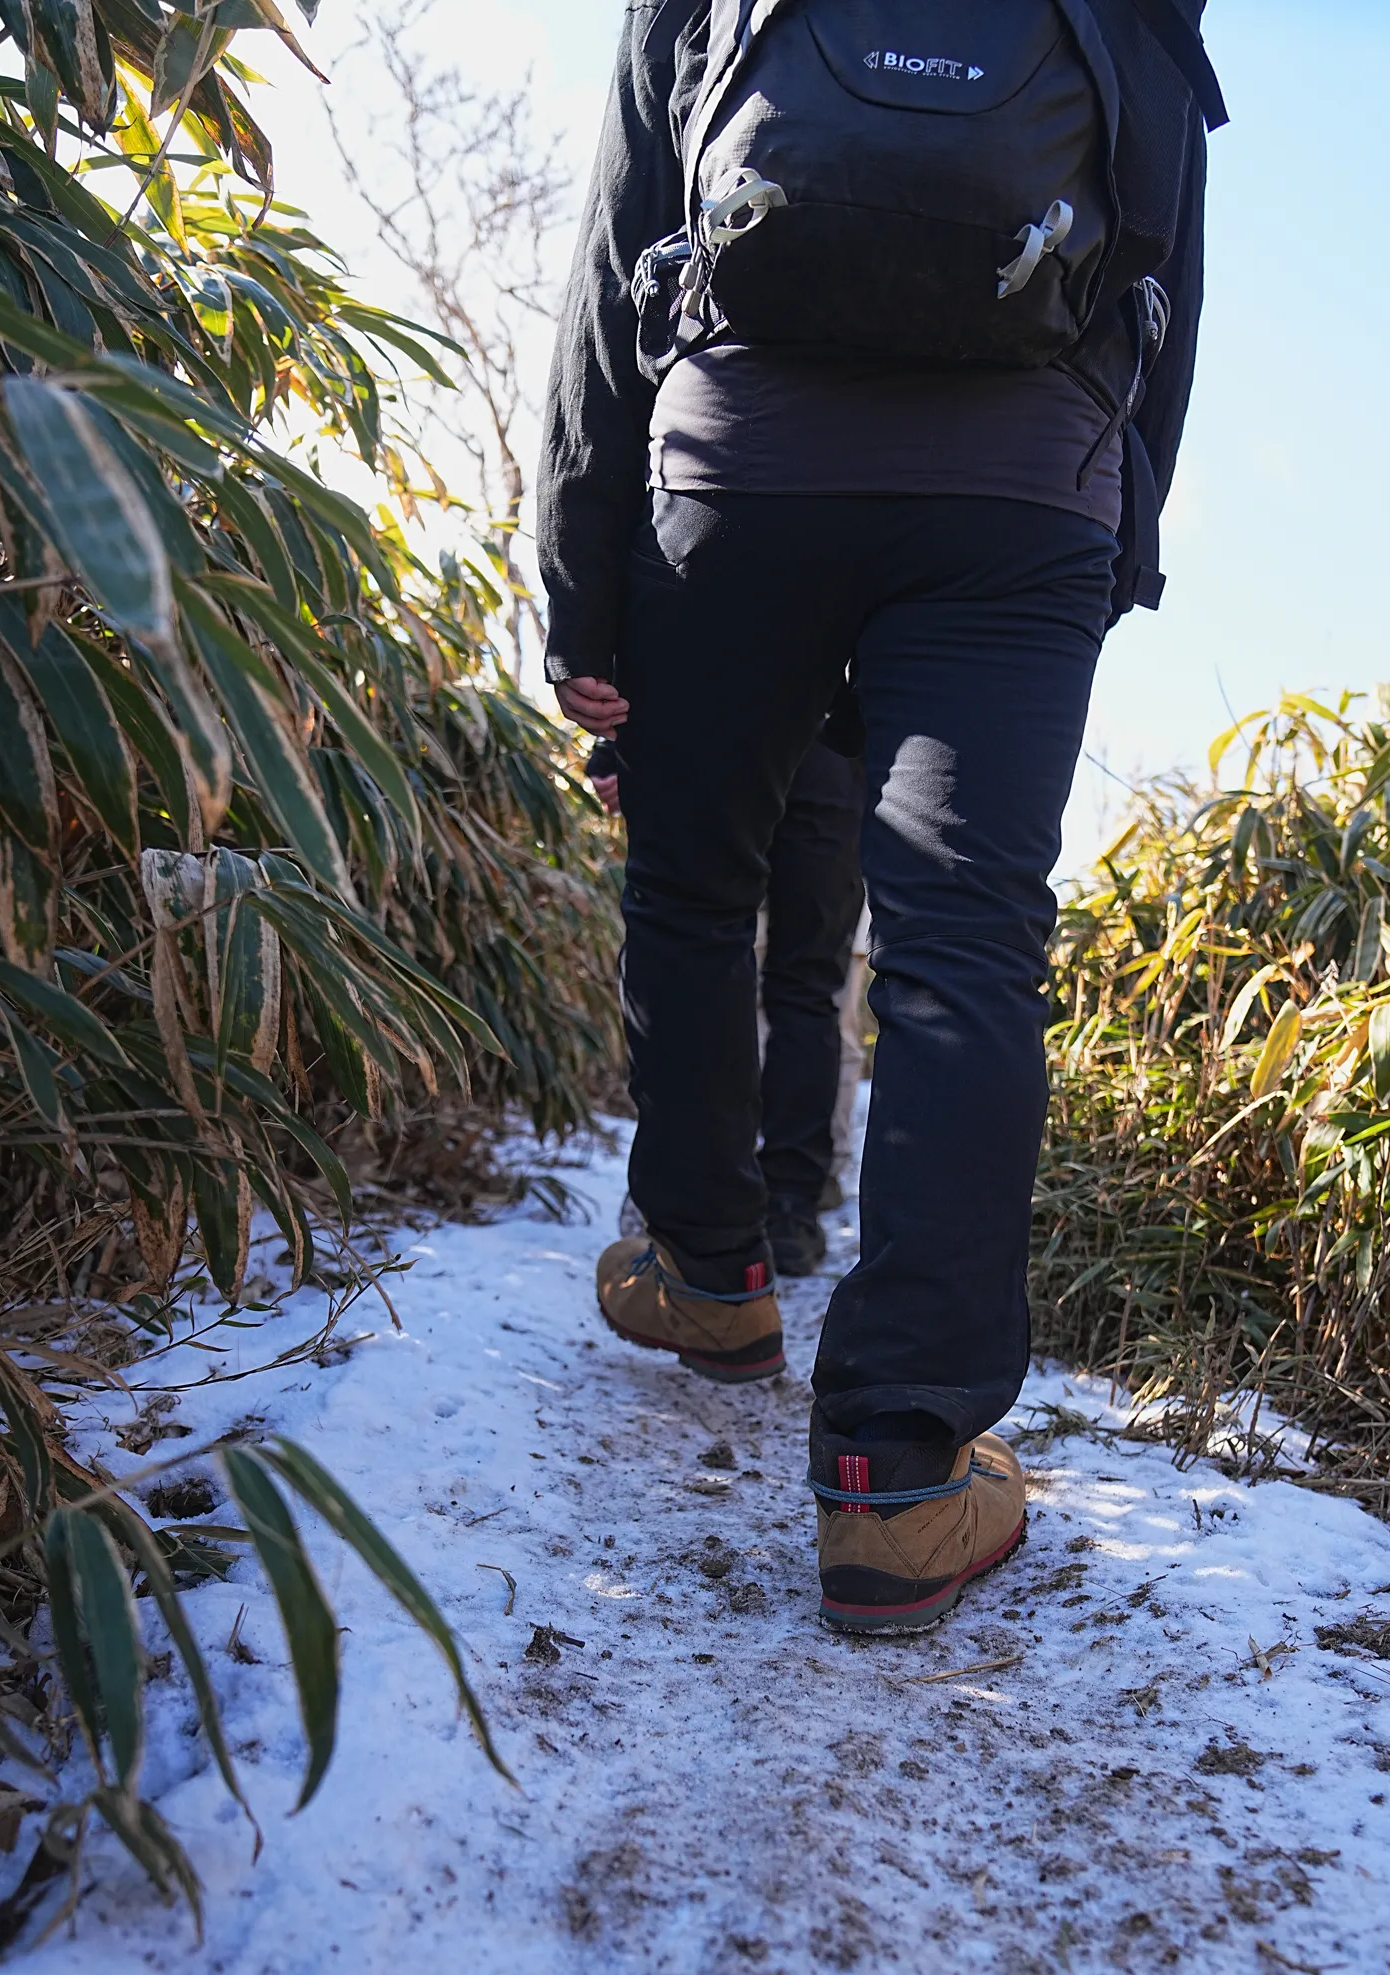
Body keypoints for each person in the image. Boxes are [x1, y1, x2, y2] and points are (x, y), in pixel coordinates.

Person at [541, 0, 1218, 1634]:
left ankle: (709, 1272)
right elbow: (1166, 273)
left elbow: (618, 245)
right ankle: (898, 1479)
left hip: (739, 470)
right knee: (962, 950)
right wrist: (1113, 532)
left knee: (699, 893)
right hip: (1020, 489)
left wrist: (582, 594)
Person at [591, 706, 869, 1277]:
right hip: (824, 747)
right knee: (799, 987)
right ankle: (782, 1207)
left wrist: (621, 741)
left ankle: (714, 1204)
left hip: (733, 727)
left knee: (708, 962)